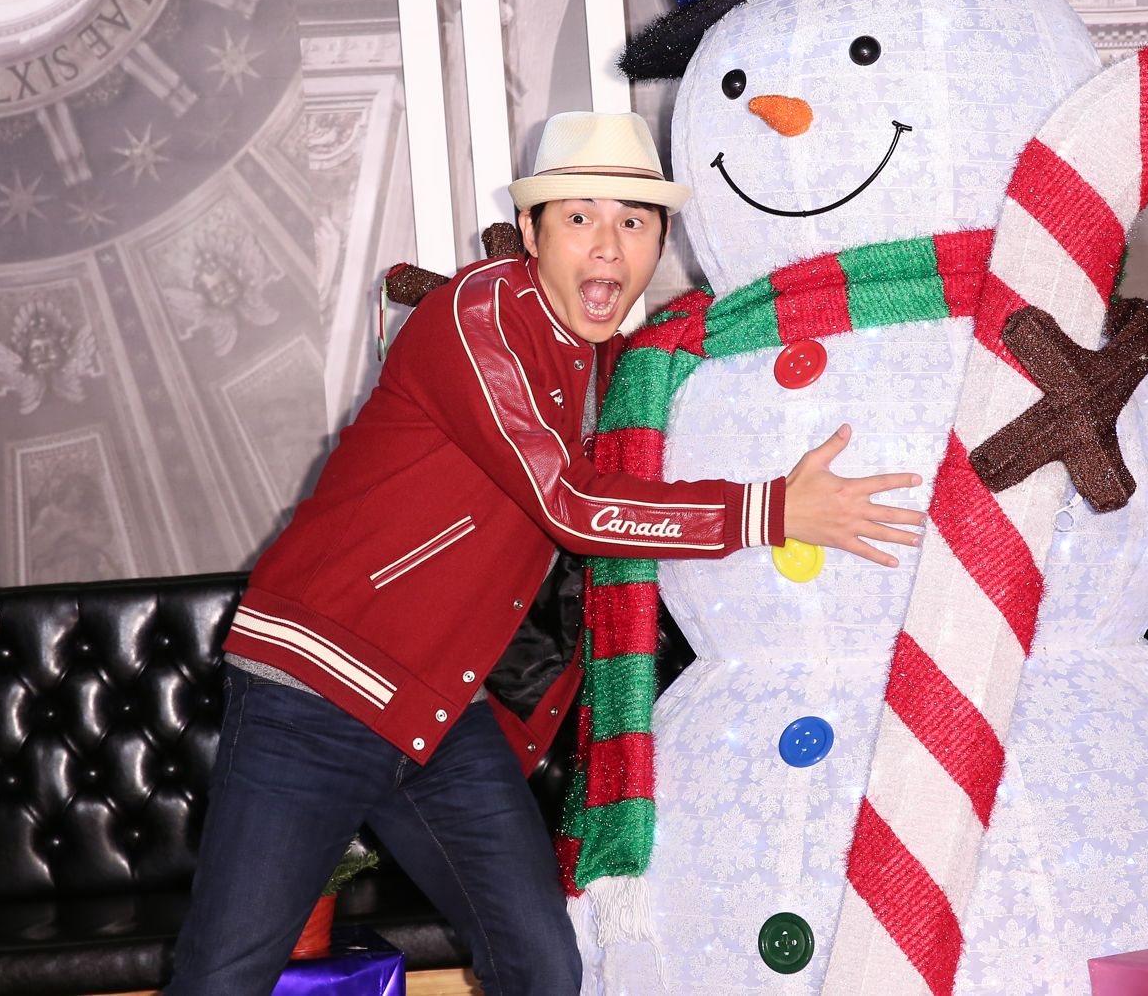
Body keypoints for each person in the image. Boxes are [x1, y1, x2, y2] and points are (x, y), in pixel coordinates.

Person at [164, 112, 924, 996]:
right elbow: (574, 505)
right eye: (578, 217)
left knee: (544, 967)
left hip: (438, 709)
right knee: (223, 978)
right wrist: (775, 510)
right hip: (319, 686)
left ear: (659, 243)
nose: (607, 246)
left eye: (634, 222)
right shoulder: (475, 313)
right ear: (530, 232)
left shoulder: (610, 367)